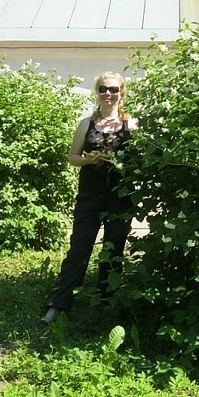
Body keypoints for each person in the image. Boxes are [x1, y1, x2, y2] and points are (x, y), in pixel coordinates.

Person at [42, 71, 137, 323]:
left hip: (121, 195)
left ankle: (107, 302)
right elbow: (72, 157)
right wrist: (89, 160)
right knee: (79, 246)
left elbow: (141, 160)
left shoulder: (132, 124)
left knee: (114, 248)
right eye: (103, 89)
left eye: (114, 89)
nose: (108, 93)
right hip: (90, 194)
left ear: (122, 92)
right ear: (97, 92)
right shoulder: (87, 124)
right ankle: (57, 304)